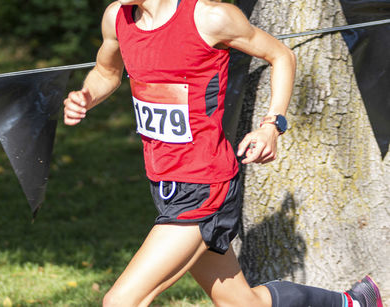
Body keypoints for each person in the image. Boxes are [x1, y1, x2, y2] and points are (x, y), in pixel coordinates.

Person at [63, 0, 383, 306]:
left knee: (120, 301)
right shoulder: (116, 18)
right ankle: (355, 303)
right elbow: (106, 73)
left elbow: (281, 55)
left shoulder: (210, 18)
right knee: (241, 302)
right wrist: (86, 96)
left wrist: (272, 125)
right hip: (165, 184)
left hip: (205, 187)